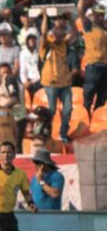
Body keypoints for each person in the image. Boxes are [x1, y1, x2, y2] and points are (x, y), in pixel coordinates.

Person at [38, 10, 77, 143]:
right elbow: (43, 33)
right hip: (51, 82)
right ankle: (46, 133)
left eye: (61, 36)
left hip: (65, 82)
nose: (59, 38)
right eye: (57, 36)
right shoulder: (46, 45)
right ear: (52, 36)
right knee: (52, 110)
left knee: (68, 109)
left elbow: (75, 33)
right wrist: (45, 17)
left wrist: (70, 19)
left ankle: (63, 134)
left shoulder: (64, 44)